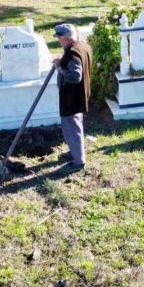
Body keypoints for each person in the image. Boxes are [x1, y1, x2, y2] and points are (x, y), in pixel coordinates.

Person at [53, 23, 92, 174]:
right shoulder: (82, 45)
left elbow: (75, 76)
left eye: (59, 38)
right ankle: (75, 151)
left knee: (71, 128)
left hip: (71, 98)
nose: (58, 40)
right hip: (79, 95)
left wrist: (59, 67)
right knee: (76, 126)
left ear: (65, 38)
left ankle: (78, 162)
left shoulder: (73, 53)